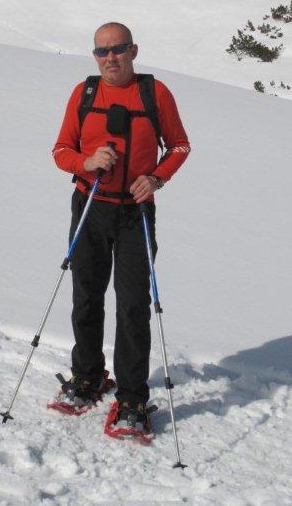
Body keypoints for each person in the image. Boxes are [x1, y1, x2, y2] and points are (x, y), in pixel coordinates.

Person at [52, 22, 190, 432]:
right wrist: (87, 162)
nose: (110, 57)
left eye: (118, 49)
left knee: (132, 306)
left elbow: (179, 146)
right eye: (102, 51)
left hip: (135, 212)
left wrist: (157, 178)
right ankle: (88, 376)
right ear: (95, 56)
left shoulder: (154, 93)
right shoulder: (84, 93)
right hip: (90, 205)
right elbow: (61, 150)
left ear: (133, 51)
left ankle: (132, 399)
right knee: (86, 295)